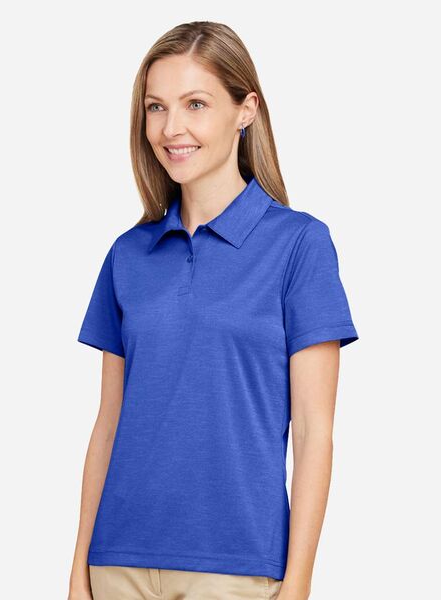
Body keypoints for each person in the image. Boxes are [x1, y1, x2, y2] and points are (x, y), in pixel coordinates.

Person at [68, 20, 359, 600]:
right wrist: (79, 570)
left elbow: (314, 432)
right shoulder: (128, 254)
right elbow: (109, 424)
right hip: (117, 562)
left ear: (245, 110)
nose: (170, 128)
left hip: (234, 566)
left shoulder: (299, 245)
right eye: (156, 107)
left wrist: (298, 584)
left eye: (195, 104)